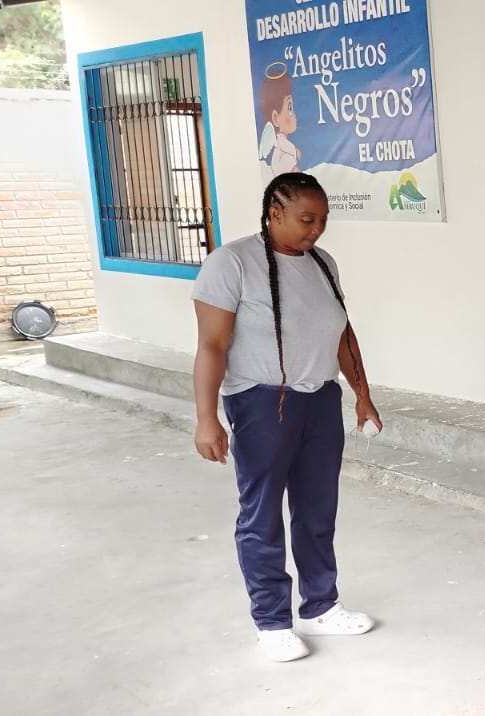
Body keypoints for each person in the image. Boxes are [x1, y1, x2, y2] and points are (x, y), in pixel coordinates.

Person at [191, 172, 380, 662]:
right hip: (261, 401)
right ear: (274, 213)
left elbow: (342, 333)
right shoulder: (231, 262)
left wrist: (361, 393)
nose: (317, 230)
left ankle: (320, 606)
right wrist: (206, 417)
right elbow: (211, 345)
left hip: (320, 399)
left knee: (317, 508)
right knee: (262, 514)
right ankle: (272, 622)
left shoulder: (323, 263)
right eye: (306, 219)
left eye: (323, 220)